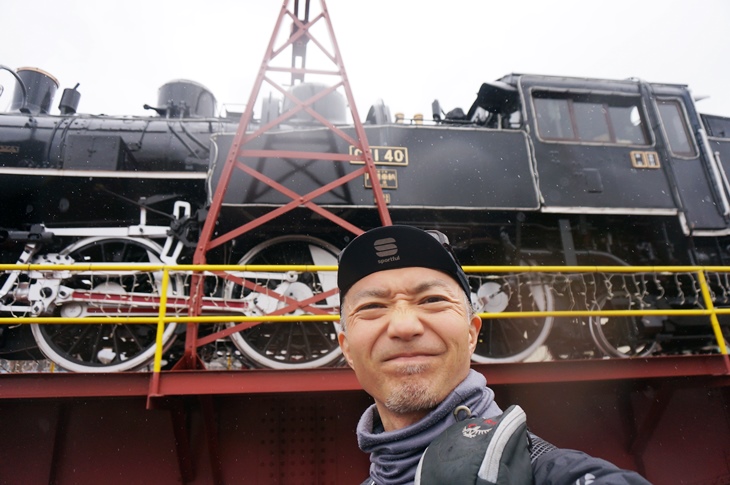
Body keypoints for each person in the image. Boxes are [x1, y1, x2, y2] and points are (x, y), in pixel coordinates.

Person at [336, 225, 652, 485]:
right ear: (346, 349)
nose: (404, 326)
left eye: (432, 299)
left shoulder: (555, 474)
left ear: (472, 333)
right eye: (372, 307)